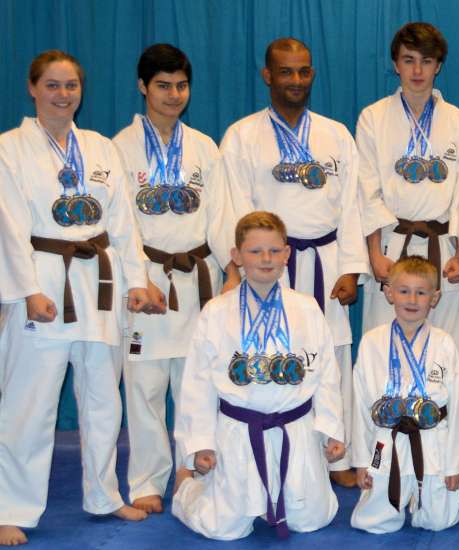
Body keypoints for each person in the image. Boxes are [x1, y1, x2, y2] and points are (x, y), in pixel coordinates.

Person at [0, 50, 152, 546]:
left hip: (99, 284)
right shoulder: (10, 149)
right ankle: (11, 507)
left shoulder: (101, 148)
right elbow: (8, 227)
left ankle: (104, 494)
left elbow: (124, 223)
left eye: (71, 86)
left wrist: (137, 282)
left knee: (104, 399)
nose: (63, 95)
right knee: (31, 404)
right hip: (44, 280)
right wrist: (28, 291)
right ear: (32, 88)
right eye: (52, 85)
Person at [217, 37, 367, 487]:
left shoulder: (336, 134)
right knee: (276, 350)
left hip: (326, 257)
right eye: (286, 72)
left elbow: (352, 206)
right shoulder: (242, 136)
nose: (296, 80)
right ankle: (279, 447)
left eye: (303, 71)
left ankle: (336, 454)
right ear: (268, 76)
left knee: (332, 357)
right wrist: (246, 266)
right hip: (270, 263)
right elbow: (237, 208)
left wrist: (350, 268)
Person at [111, 43, 236, 515]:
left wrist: (232, 271)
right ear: (143, 87)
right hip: (148, 282)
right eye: (163, 85)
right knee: (143, 386)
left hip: (198, 278)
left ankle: (191, 466)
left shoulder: (204, 146)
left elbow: (221, 214)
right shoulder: (118, 149)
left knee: (195, 381)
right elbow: (120, 224)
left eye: (181, 85)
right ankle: (146, 478)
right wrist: (138, 281)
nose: (173, 94)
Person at [171, 211, 345, 540]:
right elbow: (197, 384)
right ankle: (186, 488)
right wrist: (199, 446)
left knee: (312, 520)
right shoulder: (217, 311)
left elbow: (326, 376)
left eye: (274, 251)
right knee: (224, 530)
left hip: (296, 430)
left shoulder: (307, 308)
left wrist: (331, 430)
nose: (266, 259)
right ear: (236, 257)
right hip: (238, 431)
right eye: (254, 252)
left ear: (287, 254)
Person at [358, 23, 459, 357]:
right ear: (396, 64)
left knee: (446, 351)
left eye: (426, 60)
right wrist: (375, 253)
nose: (417, 70)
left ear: (438, 65)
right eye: (408, 60)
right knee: (383, 346)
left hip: (444, 249)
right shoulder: (373, 118)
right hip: (393, 246)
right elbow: (367, 189)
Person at [349, 256, 459, 532]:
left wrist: (455, 465)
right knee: (374, 523)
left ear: (434, 298)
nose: (412, 299)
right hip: (385, 441)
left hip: (432, 440)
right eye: (403, 291)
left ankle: (421, 496)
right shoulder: (372, 342)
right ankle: (397, 494)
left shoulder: (444, 343)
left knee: (439, 522)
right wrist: (361, 462)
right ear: (389, 293)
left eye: (421, 292)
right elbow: (361, 404)